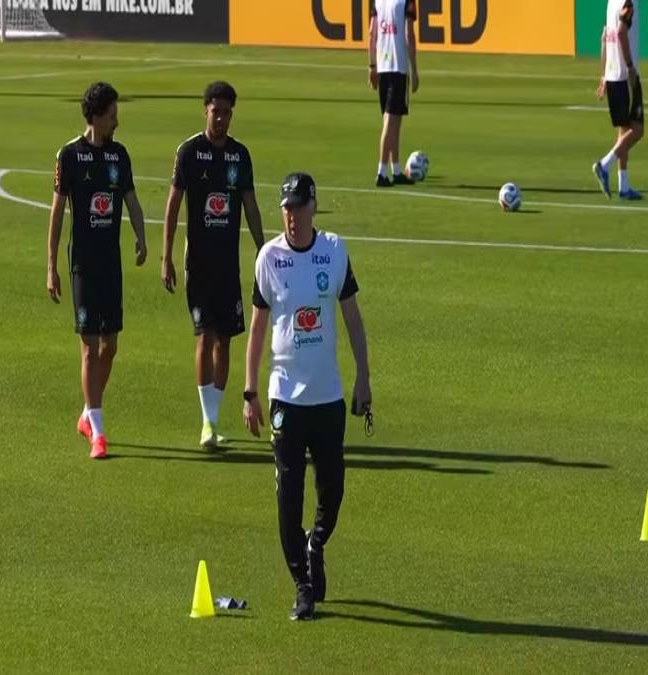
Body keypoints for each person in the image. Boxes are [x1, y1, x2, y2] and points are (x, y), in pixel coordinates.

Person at [243, 173, 372, 621]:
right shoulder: (268, 258)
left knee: (332, 490)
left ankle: (316, 543)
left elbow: (352, 319)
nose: (291, 216)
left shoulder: (334, 251)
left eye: (298, 207)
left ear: (313, 207)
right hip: (285, 398)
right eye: (286, 208)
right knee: (288, 495)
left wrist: (363, 379)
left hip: (328, 396)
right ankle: (302, 585)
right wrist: (250, 391)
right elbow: (257, 328)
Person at [47, 82, 147, 460]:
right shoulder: (69, 155)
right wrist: (51, 266)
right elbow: (57, 212)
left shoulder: (120, 156)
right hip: (83, 266)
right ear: (96, 116)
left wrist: (141, 236)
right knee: (89, 348)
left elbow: (131, 199)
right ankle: (99, 433)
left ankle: (88, 413)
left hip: (111, 264)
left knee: (111, 346)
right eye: (112, 115)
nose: (116, 121)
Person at [162, 81, 264, 449]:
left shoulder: (240, 155)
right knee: (205, 337)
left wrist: (264, 252)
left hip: (228, 265)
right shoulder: (189, 152)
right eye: (215, 111)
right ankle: (207, 422)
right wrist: (166, 257)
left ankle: (215, 419)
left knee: (225, 341)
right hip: (199, 264)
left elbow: (250, 206)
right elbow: (173, 205)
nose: (220, 118)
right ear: (205, 110)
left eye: (226, 112)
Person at [593, 0, 644, 200]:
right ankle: (604, 165)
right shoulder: (628, 3)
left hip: (612, 75)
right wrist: (630, 67)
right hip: (625, 76)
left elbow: (604, 38)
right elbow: (621, 32)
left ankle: (624, 186)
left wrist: (603, 75)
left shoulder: (612, 3)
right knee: (637, 131)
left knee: (623, 132)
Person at [368, 0, 419, 188]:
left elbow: (372, 33)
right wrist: (414, 69)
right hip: (398, 67)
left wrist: (372, 65)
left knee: (394, 121)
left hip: (383, 66)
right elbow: (408, 34)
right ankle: (382, 172)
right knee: (390, 122)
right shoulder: (406, 1)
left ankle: (396, 169)